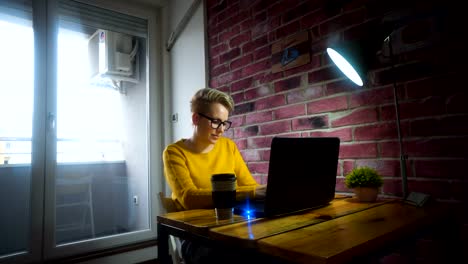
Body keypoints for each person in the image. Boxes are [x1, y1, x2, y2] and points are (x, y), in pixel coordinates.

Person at [162, 88, 268, 264]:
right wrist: (252, 193)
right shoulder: (174, 153)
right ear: (196, 119)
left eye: (225, 123)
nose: (221, 130)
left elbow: (250, 185)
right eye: (216, 122)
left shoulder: (229, 147)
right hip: (196, 236)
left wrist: (261, 191)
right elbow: (189, 198)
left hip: (231, 226)